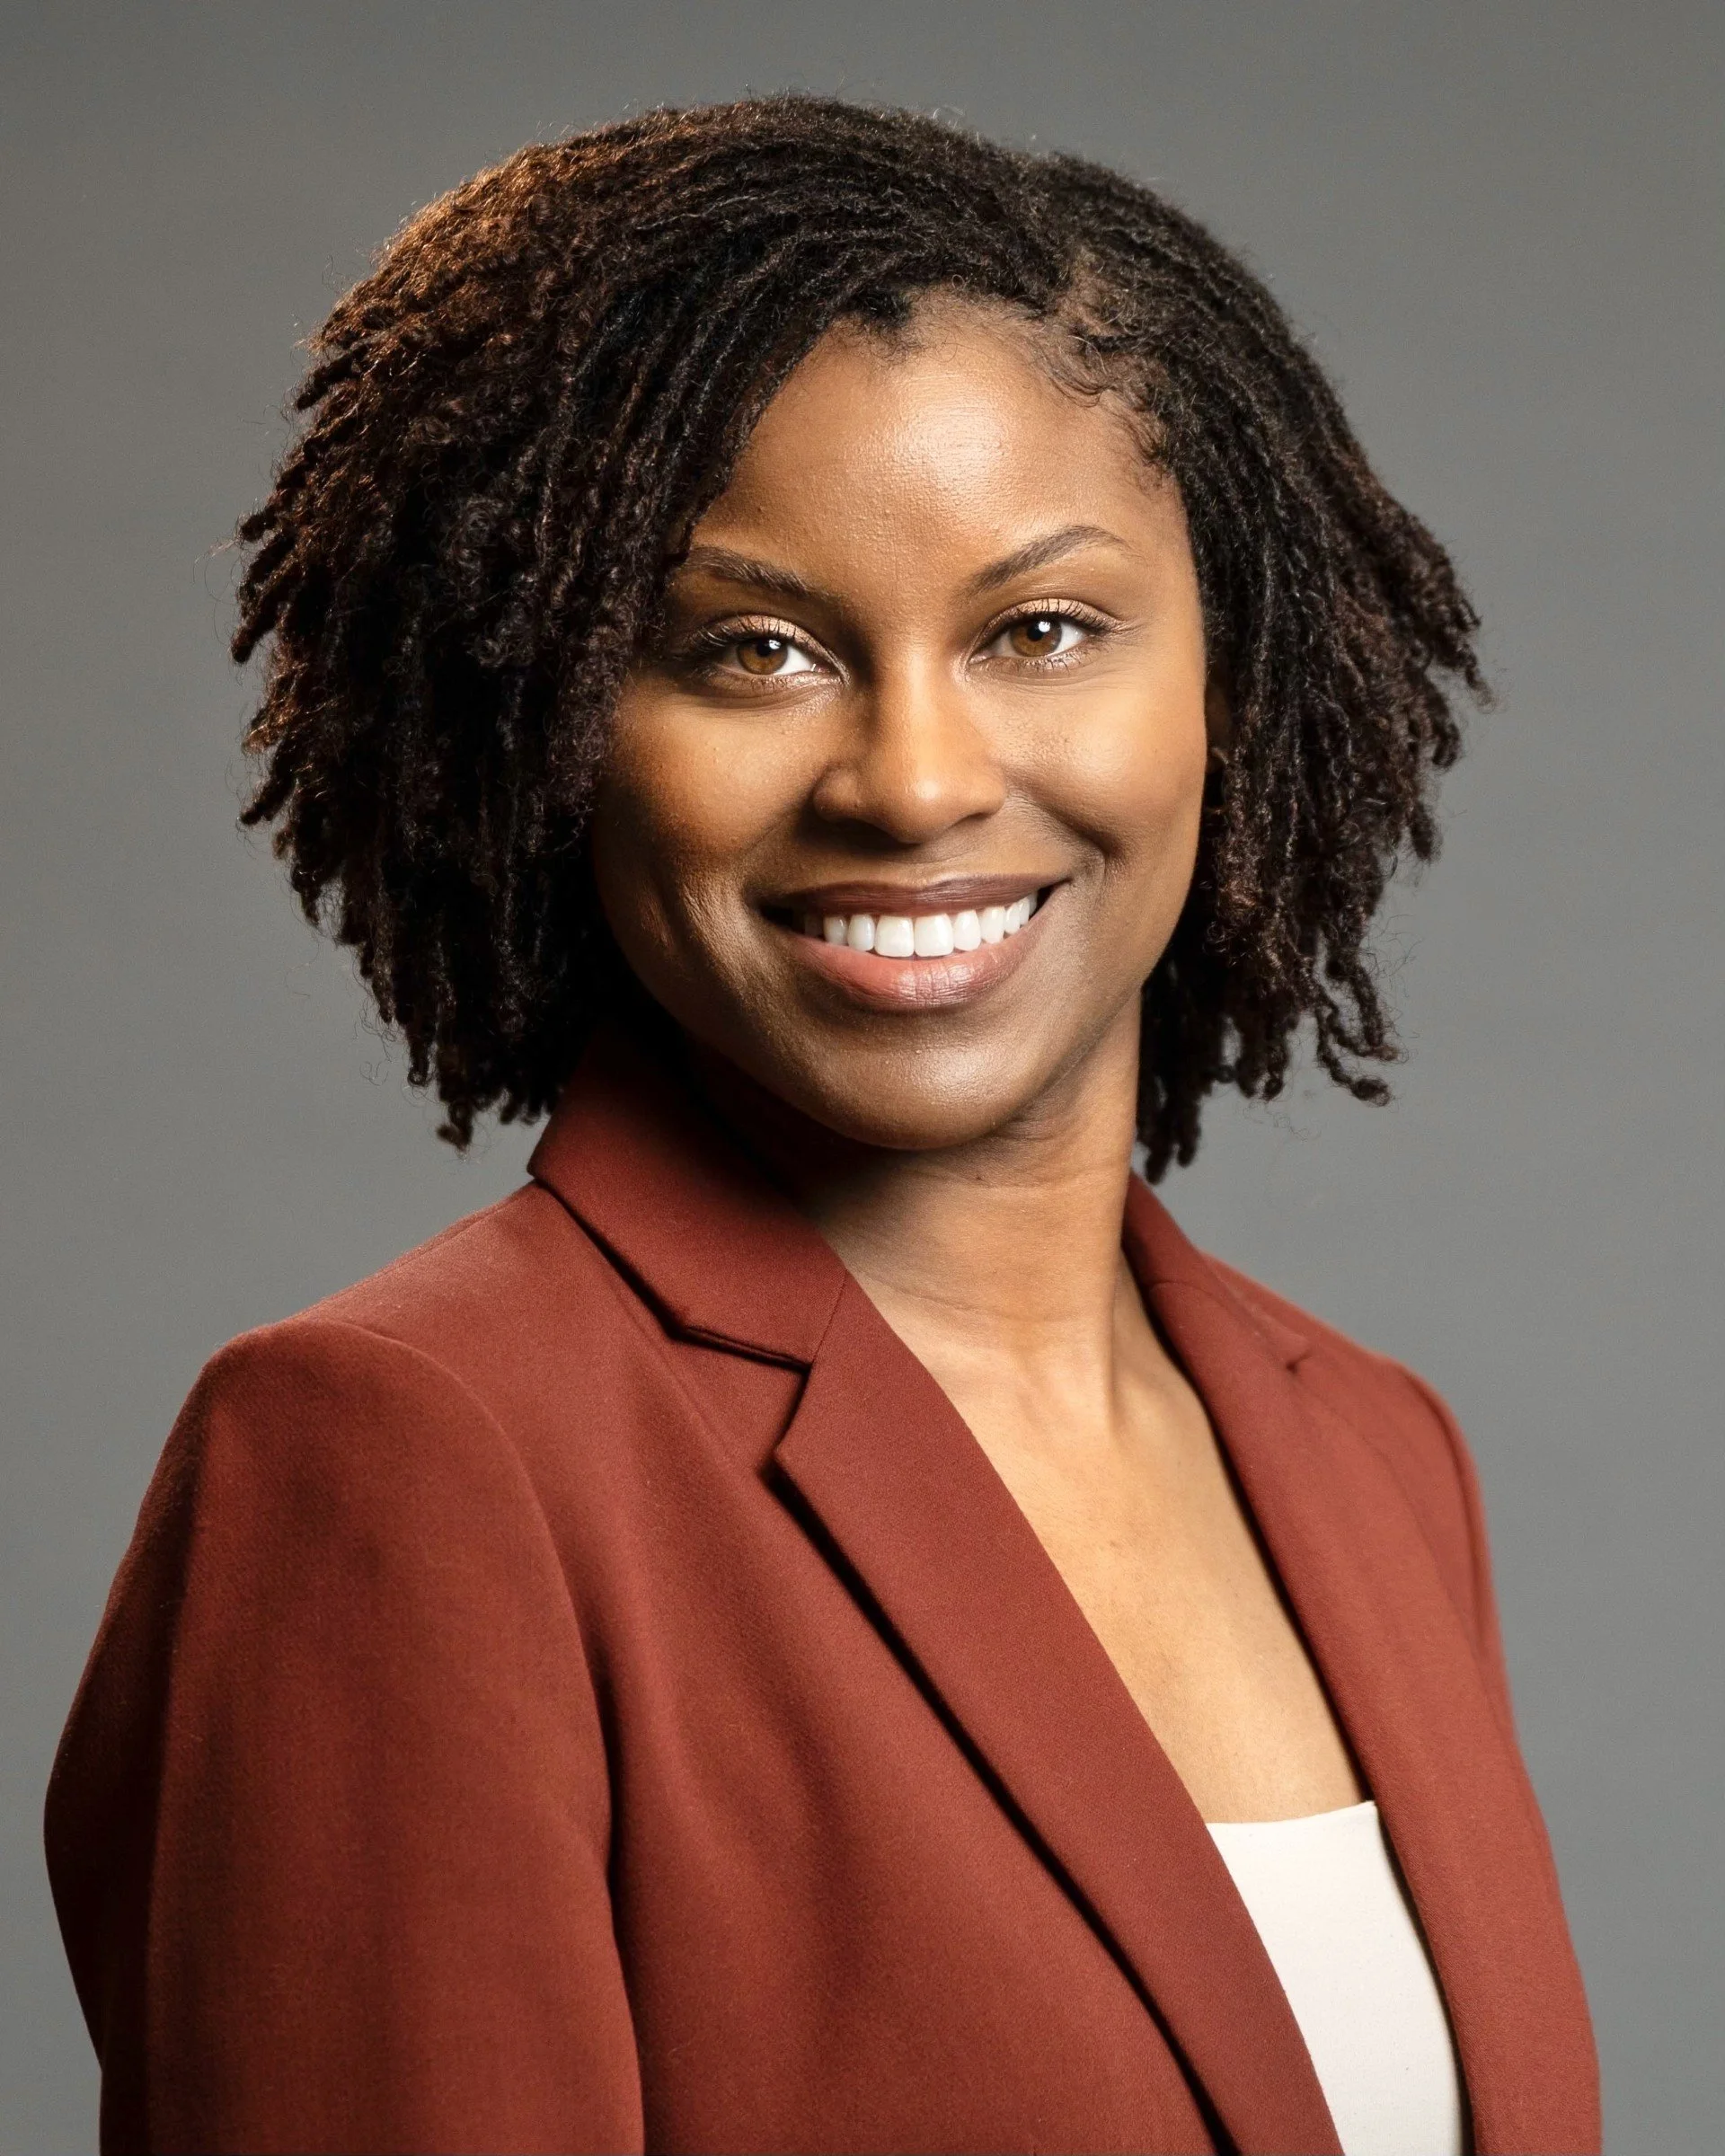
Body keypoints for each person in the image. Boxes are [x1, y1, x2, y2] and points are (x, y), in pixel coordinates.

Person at [45, 96, 1598, 2156]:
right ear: (556, 723)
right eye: (751, 651)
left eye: (1041, 628)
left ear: (1236, 679)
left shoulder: (1375, 1455)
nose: (915, 778)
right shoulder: (410, 1457)